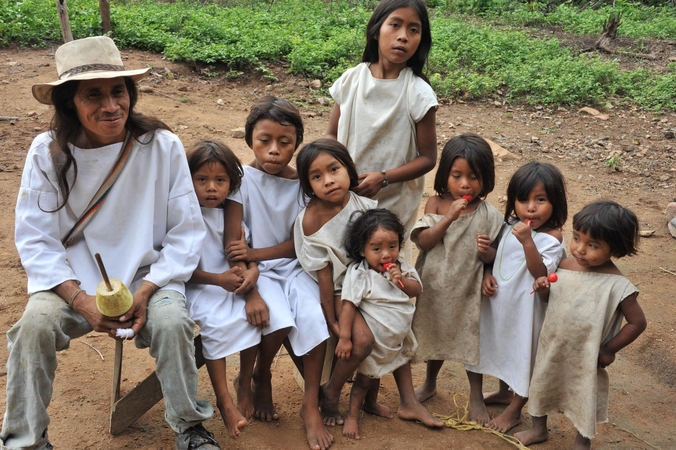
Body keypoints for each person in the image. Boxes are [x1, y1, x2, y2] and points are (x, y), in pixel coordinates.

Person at [4, 36, 219, 450]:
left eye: (118, 91)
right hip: (73, 281)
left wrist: (149, 288)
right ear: (69, 103)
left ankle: (189, 429)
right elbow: (35, 238)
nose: (110, 106)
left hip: (148, 274)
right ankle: (25, 441)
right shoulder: (46, 154)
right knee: (33, 328)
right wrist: (78, 298)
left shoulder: (160, 146)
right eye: (94, 95)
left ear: (131, 94)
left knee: (174, 324)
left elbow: (186, 231)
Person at [223, 97, 333, 450]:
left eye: (284, 143)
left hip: (297, 264)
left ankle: (310, 405)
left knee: (314, 319)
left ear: (297, 143)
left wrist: (254, 253)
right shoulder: (240, 180)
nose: (274, 151)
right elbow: (233, 244)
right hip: (257, 273)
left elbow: (298, 243)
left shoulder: (302, 183)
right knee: (276, 318)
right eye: (264, 141)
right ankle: (258, 376)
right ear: (249, 139)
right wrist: (251, 290)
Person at [515, 201, 647, 450]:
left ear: (615, 249)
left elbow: (638, 322)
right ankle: (538, 428)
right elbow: (550, 300)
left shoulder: (618, 286)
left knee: (583, 396)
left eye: (593, 245)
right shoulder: (564, 267)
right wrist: (542, 289)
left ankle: (582, 440)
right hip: (552, 345)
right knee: (542, 384)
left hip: (587, 356)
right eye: (576, 238)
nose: (579, 249)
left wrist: (609, 349)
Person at [326, 0, 438, 255]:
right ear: (376, 30)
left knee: (385, 269)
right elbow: (331, 134)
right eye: (395, 25)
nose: (403, 36)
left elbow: (428, 158)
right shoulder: (352, 79)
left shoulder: (418, 93)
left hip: (393, 203)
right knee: (342, 262)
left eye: (413, 30)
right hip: (345, 193)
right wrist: (341, 167)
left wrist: (385, 178)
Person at [465, 161, 568, 432]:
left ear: (556, 202)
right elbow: (495, 258)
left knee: (521, 353)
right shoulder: (508, 224)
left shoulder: (553, 238)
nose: (530, 207)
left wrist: (527, 242)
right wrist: (486, 260)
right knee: (485, 344)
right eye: (523, 200)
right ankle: (490, 394)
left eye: (540, 200)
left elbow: (540, 272)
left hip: (526, 309)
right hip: (496, 302)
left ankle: (514, 410)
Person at [410, 134, 504, 424]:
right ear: (445, 175)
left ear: (485, 178)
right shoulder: (436, 205)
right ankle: (429, 382)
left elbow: (496, 258)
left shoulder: (489, 214)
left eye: (474, 177)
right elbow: (424, 241)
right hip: (436, 287)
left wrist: (488, 260)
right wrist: (448, 217)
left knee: (469, 342)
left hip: (468, 290)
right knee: (436, 334)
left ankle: (476, 396)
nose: (465, 184)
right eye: (457, 175)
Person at [293, 139, 383, 426]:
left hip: (367, 284)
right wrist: (332, 318)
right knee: (362, 342)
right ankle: (331, 394)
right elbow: (323, 276)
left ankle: (364, 398)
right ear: (308, 185)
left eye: (334, 169)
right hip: (339, 292)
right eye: (316, 177)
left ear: (350, 169)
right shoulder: (311, 220)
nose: (328, 181)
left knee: (390, 328)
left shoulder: (361, 204)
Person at [336, 209, 444, 440]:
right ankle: (353, 414)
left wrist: (401, 281)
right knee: (365, 381)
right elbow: (348, 306)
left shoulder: (402, 267)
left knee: (383, 374)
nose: (386, 255)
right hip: (374, 344)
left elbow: (417, 290)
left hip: (397, 337)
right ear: (361, 250)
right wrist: (345, 338)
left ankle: (372, 405)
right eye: (377, 249)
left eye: (392, 246)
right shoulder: (360, 274)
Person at [184, 141, 258, 439]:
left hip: (228, 282)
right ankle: (225, 401)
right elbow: (180, 271)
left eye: (220, 181)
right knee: (214, 324)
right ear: (188, 180)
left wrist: (251, 272)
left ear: (232, 183)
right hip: (198, 286)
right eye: (202, 180)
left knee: (251, 317)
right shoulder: (184, 215)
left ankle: (246, 381)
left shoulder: (232, 214)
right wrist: (218, 280)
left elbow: (245, 252)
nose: (211, 188)